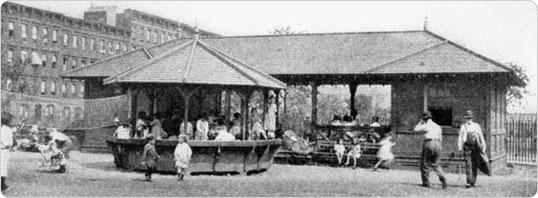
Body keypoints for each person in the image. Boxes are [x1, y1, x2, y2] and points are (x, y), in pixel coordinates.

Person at [414, 111, 447, 189]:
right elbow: (441, 138)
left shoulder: (426, 125)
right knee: (436, 164)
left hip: (429, 143)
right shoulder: (437, 126)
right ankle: (442, 176)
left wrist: (420, 122)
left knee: (425, 163)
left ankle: (426, 182)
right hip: (438, 144)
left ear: (424, 119)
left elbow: (415, 129)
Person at [457, 110, 489, 188]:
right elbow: (460, 138)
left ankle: (473, 181)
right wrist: (459, 147)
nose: (469, 120)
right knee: (468, 164)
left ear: (472, 118)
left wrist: (484, 146)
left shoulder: (476, 126)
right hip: (466, 147)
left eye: (470, 118)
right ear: (465, 119)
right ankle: (468, 181)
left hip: (475, 147)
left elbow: (481, 136)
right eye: (467, 118)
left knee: (474, 164)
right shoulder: (463, 126)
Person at [1, 112, 16, 192]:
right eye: (10, 119)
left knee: (2, 167)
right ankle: (2, 185)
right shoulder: (6, 130)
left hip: (4, 149)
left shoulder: (4, 129)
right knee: (2, 168)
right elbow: (9, 142)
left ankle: (2, 184)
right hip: (3, 150)